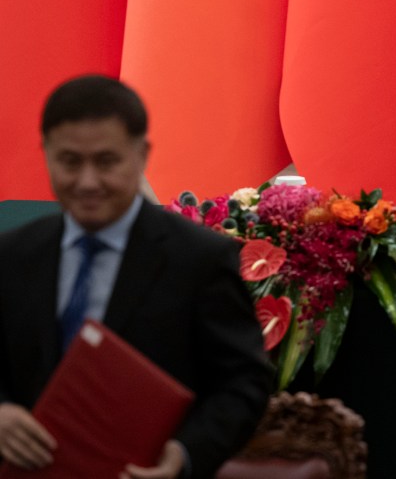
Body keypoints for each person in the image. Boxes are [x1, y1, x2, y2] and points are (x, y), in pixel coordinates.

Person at [0, 75, 272, 479]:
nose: (88, 181)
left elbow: (245, 383)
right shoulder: (13, 254)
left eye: (107, 161)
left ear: (141, 155)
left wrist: (184, 453)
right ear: (46, 155)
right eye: (70, 161)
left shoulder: (199, 258)